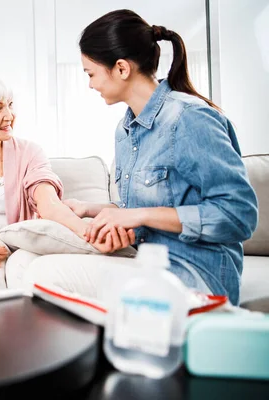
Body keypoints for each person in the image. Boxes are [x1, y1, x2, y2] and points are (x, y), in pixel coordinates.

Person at [55, 9, 258, 305]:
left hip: (197, 276)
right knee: (28, 262)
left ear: (122, 68)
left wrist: (136, 216)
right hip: (149, 264)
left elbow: (239, 215)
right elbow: (146, 207)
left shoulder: (190, 119)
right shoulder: (126, 131)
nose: (90, 85)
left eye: (91, 73)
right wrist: (92, 210)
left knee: (44, 272)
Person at [0, 75, 135, 289]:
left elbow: (48, 204)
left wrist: (89, 235)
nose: (9, 115)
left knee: (22, 266)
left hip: (19, 246)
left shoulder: (29, 152)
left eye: (10, 105)